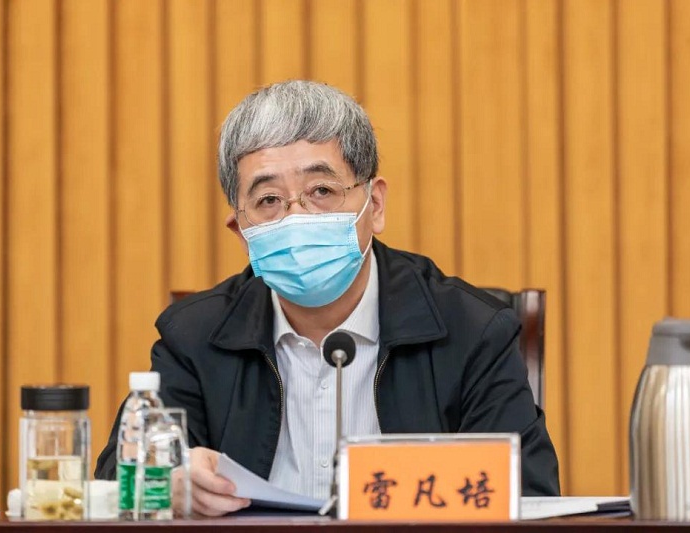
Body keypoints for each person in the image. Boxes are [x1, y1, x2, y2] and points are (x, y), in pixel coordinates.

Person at [96, 80, 560, 516]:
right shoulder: (194, 337)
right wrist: (170, 484)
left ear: (374, 204)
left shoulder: (471, 330)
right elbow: (115, 485)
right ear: (241, 231)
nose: (297, 216)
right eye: (269, 200)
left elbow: (528, 497)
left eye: (321, 190)